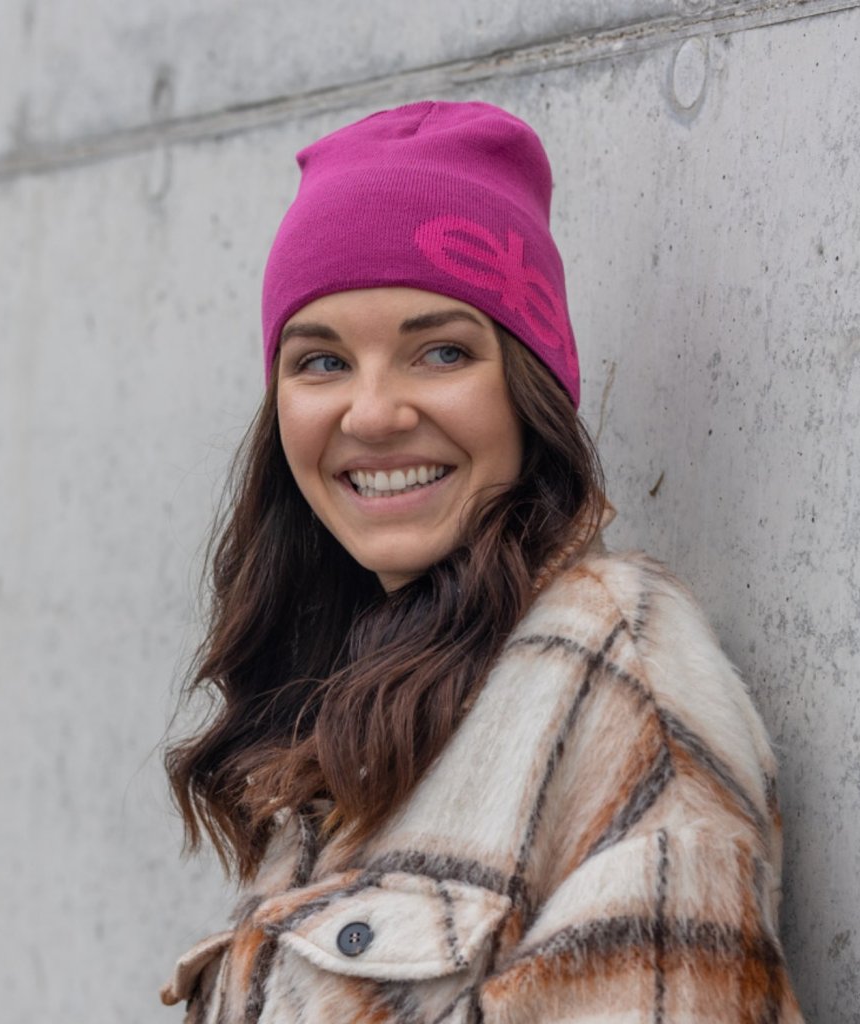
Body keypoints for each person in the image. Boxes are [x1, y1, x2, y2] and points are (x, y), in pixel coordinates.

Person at [161, 101, 804, 1023]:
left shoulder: (617, 684)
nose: (372, 413)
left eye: (440, 351)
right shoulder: (359, 693)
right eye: (321, 362)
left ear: (529, 387)